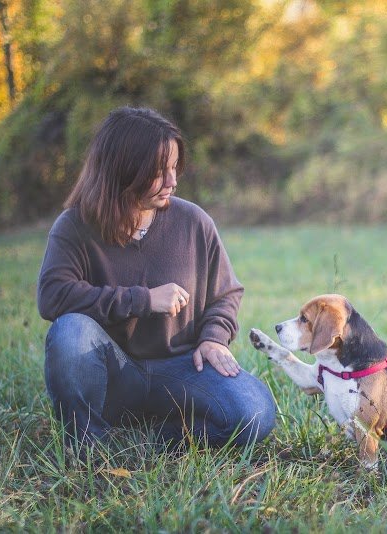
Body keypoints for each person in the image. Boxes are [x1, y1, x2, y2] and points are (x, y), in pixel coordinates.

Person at [37, 106, 275, 453]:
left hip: (181, 369)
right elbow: (53, 297)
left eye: (175, 167)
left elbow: (226, 293)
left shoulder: (193, 221)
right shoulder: (75, 226)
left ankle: (154, 441)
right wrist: (143, 300)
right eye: (159, 171)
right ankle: (88, 445)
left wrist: (214, 338)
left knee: (255, 413)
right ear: (123, 170)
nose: (172, 181)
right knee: (69, 332)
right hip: (114, 374)